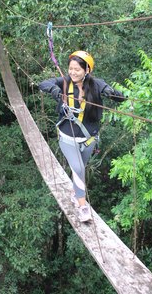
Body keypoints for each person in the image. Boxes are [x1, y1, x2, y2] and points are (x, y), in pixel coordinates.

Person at [39, 50, 125, 222]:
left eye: (77, 69)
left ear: (87, 71)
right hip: (67, 137)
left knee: (80, 169)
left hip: (89, 140)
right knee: (78, 169)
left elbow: (117, 97)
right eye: (71, 68)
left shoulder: (97, 85)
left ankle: (75, 194)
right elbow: (43, 84)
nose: (73, 72)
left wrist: (112, 93)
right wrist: (55, 90)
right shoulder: (64, 83)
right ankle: (82, 206)